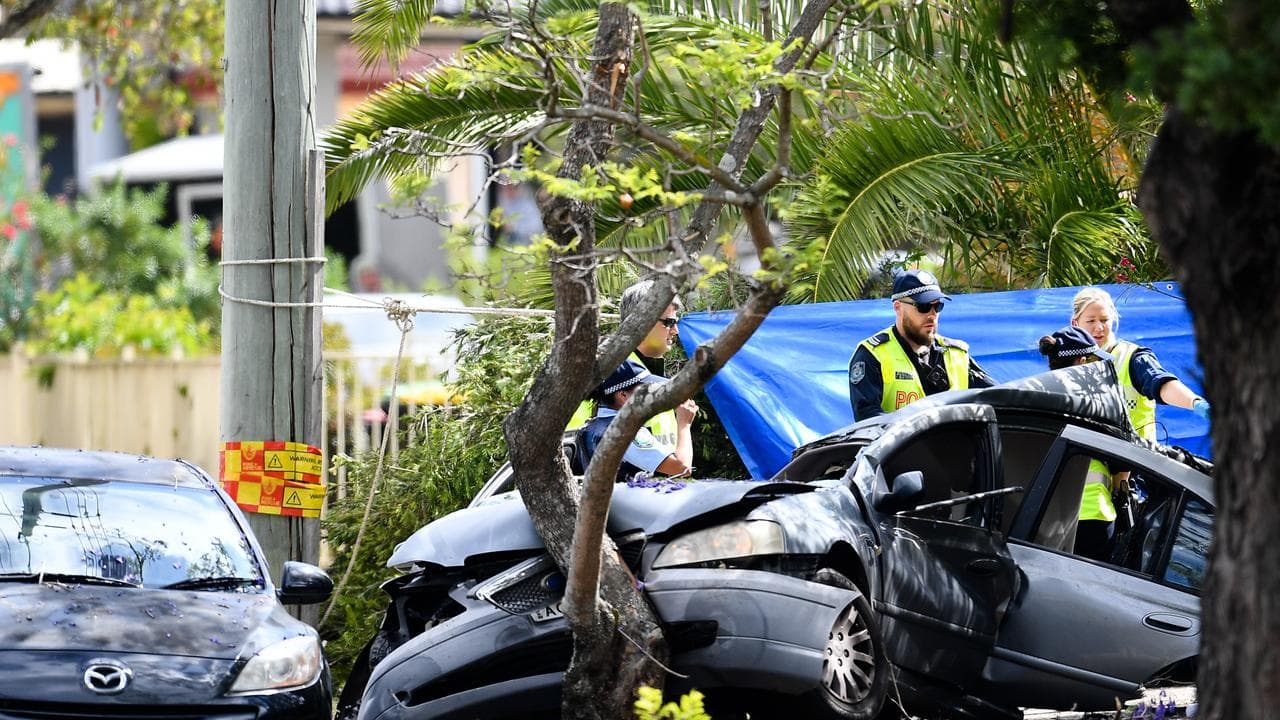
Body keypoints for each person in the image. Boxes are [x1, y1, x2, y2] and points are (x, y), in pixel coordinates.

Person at [848, 269, 995, 422]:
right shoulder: (873, 355)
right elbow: (868, 420)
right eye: (923, 306)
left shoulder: (957, 354)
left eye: (937, 306)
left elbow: (997, 398)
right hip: (901, 439)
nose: (932, 315)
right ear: (898, 307)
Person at [1070, 287, 1210, 441]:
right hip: (1086, 454)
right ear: (1075, 324)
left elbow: (1161, 383)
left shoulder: (1132, 358)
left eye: (1104, 320)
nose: (1099, 327)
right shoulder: (1067, 363)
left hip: (1133, 453)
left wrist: (1195, 403)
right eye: (1091, 321)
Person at [568, 279, 690, 448]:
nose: (675, 330)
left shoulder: (648, 368)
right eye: (669, 322)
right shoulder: (613, 372)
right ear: (642, 321)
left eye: (676, 322)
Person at [1038, 325, 1122, 561]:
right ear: (1083, 362)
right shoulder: (1098, 406)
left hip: (1045, 517)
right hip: (1093, 516)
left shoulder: (1037, 398)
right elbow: (1122, 461)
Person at [577, 359, 695, 481]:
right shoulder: (623, 431)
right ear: (623, 395)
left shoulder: (598, 424)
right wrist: (684, 424)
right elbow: (682, 468)